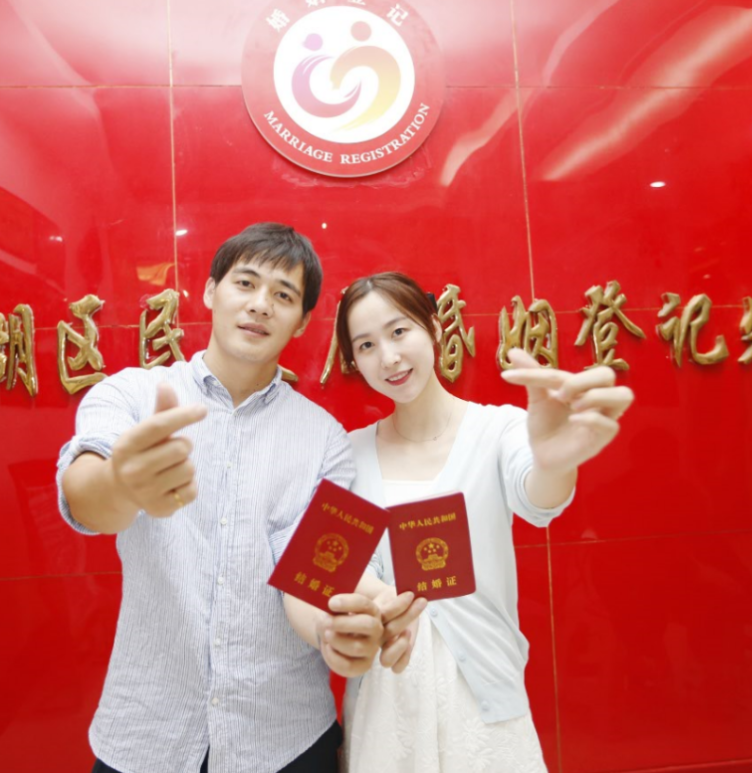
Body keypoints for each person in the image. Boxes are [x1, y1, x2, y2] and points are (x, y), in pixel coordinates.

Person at [56, 224, 410, 773]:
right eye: (245, 283)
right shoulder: (131, 395)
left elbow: (312, 571)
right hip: (147, 734)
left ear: (302, 321)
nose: (260, 304)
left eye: (283, 295)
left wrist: (329, 630)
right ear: (210, 290)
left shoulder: (325, 440)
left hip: (285, 739)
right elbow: (85, 500)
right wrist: (123, 485)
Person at [334, 272, 634, 772]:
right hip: (386, 707)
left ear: (434, 327)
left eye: (399, 331)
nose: (388, 357)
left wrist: (555, 463)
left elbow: (537, 498)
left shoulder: (499, 429)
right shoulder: (349, 454)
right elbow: (334, 569)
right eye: (366, 345)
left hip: (484, 702)